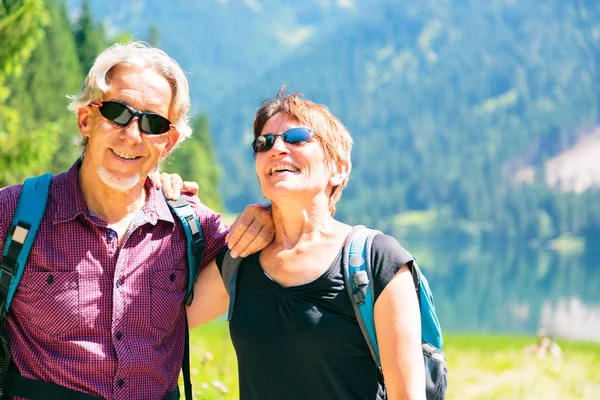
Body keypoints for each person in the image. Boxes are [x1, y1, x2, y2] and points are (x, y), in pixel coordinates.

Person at [0, 41, 273, 399]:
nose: (132, 134)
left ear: (169, 142)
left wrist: (268, 217)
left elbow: (287, 256)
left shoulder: (192, 227)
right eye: (116, 112)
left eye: (153, 122)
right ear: (86, 119)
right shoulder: (15, 213)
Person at [187, 88, 426, 399]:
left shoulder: (377, 261)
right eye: (264, 143)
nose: (277, 148)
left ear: (339, 168)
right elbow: (162, 323)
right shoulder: (239, 258)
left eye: (297, 137)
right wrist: (158, 193)